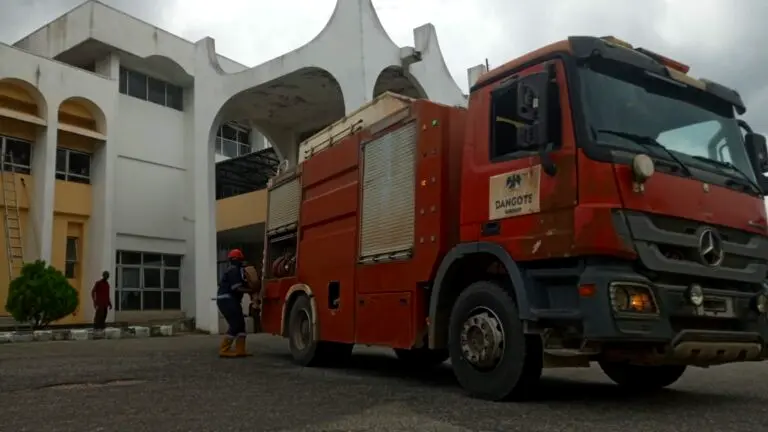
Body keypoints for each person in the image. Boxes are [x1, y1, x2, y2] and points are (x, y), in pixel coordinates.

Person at [216, 249, 252, 358]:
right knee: (236, 324)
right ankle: (223, 349)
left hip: (230, 300)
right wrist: (251, 290)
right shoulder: (233, 271)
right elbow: (237, 288)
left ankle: (240, 350)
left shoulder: (237, 270)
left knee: (241, 325)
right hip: (227, 300)